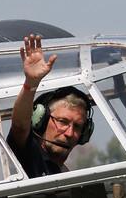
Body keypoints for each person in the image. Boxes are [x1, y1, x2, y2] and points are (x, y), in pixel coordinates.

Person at [5, 33, 94, 177]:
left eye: (77, 126)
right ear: (40, 119)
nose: (69, 133)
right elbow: (20, 126)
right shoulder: (28, 154)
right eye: (62, 122)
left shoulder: (65, 174)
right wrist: (31, 84)